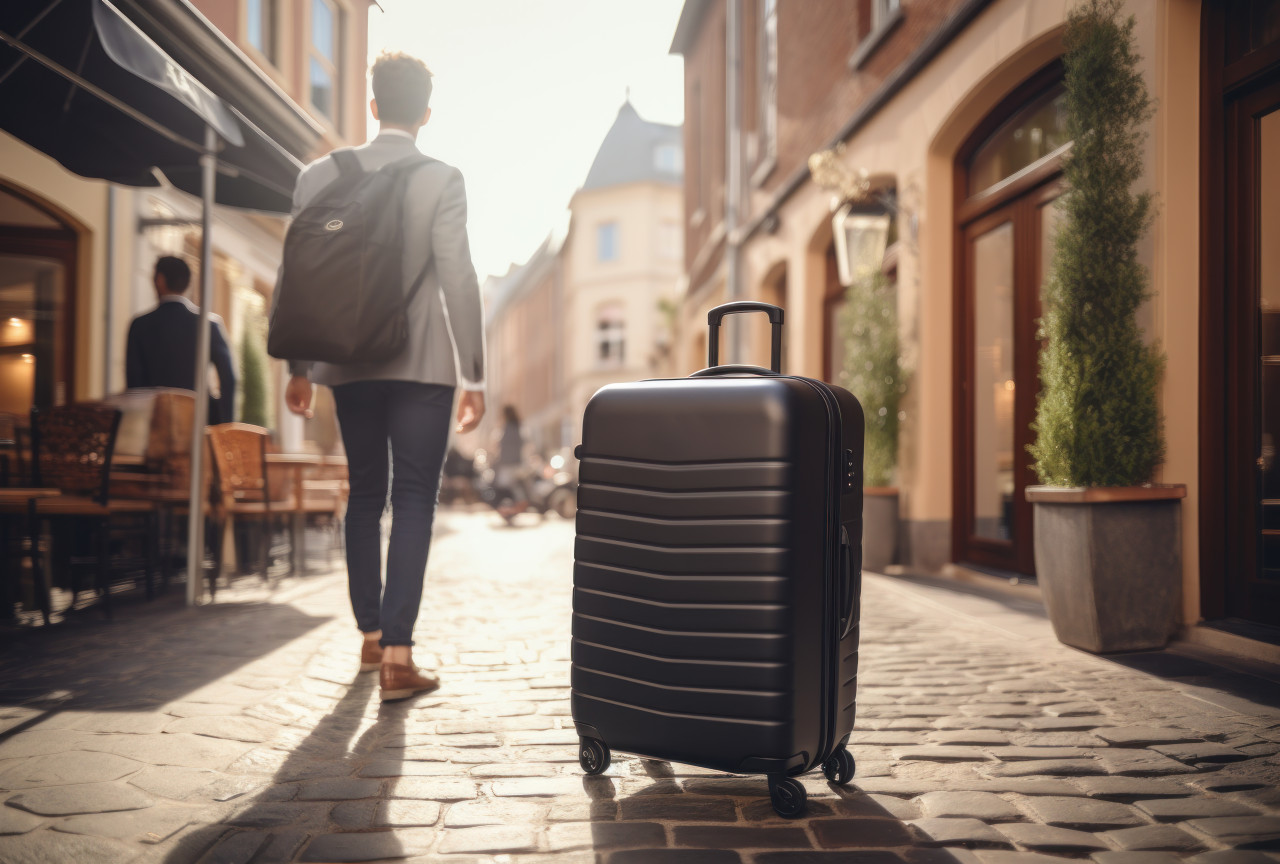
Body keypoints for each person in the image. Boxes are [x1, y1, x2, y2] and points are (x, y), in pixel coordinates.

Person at [282, 52, 486, 701]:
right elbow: (457, 276)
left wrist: (298, 367)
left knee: (365, 493)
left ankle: (370, 637)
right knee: (416, 496)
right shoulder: (442, 178)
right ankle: (400, 655)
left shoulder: (318, 175)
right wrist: (475, 373)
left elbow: (298, 275)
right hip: (423, 361)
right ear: (426, 112)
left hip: (345, 360)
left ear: (372, 105)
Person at [125, 256, 237, 425]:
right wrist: (224, 422)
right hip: (200, 421)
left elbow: (134, 383)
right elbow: (228, 378)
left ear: (160, 280)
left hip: (156, 422)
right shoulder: (209, 324)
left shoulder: (140, 325)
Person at [496, 404, 533, 509]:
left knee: (505, 486)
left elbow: (500, 445)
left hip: (507, 463)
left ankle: (513, 505)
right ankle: (519, 503)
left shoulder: (506, 428)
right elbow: (526, 443)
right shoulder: (519, 427)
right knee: (515, 486)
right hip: (517, 462)